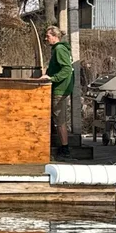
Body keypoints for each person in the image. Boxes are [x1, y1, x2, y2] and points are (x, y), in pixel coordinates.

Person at [40, 26, 74, 159]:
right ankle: (61, 145)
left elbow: (66, 69)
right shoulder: (60, 49)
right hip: (61, 87)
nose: (46, 39)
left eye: (48, 36)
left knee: (60, 119)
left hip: (60, 89)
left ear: (55, 36)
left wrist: (53, 79)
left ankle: (65, 148)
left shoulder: (59, 49)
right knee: (58, 118)